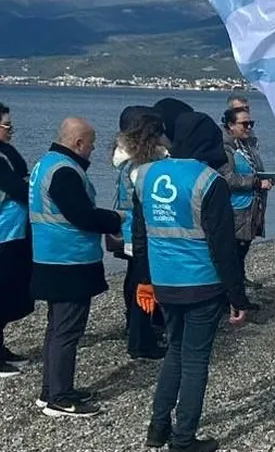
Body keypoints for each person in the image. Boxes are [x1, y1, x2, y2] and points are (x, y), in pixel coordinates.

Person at [131, 112, 250, 452]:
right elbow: (223, 247)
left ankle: (158, 427)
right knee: (195, 360)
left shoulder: (145, 175)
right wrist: (237, 297)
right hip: (201, 282)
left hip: (164, 280)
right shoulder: (209, 181)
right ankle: (184, 438)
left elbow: (140, 236)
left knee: (175, 351)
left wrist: (144, 280)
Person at [29, 117, 123, 417]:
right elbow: (82, 215)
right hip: (68, 260)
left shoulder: (45, 164)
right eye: (91, 144)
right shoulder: (64, 171)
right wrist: (115, 219)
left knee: (57, 327)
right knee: (67, 330)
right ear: (78, 142)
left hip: (50, 256)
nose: (93, 150)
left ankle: (51, 390)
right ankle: (60, 397)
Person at [111, 106, 168, 360]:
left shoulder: (127, 162)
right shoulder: (141, 166)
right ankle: (141, 339)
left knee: (134, 280)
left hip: (129, 230)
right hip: (140, 232)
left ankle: (138, 331)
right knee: (143, 284)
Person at [220, 107, 272, 298]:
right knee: (234, 252)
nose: (249, 127)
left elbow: (253, 170)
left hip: (251, 206)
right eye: (244, 124)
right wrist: (257, 182)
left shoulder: (246, 145)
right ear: (230, 125)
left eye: (251, 123)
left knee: (242, 250)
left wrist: (266, 179)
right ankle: (233, 296)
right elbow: (228, 178)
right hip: (236, 207)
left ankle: (239, 288)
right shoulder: (225, 148)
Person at [0, 103, 33, 377]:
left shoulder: (6, 153)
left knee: (10, 290)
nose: (11, 131)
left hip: (14, 231)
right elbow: (17, 188)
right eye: (7, 126)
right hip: (3, 234)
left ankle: (1, 348)